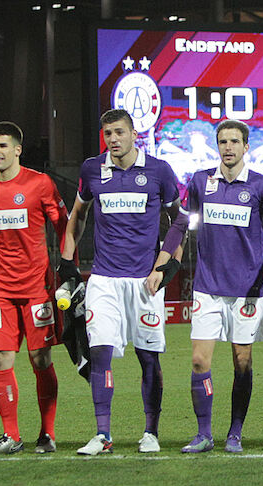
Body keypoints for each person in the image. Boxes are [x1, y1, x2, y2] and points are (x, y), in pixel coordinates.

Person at [158, 120, 263, 453]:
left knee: (241, 362)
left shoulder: (261, 186)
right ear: (217, 146)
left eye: (234, 141)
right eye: (222, 142)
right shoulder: (202, 182)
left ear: (246, 147)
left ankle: (235, 432)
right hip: (207, 287)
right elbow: (180, 224)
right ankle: (204, 434)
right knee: (200, 361)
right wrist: (162, 263)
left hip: (247, 290)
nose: (228, 147)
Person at [62, 109, 181, 455]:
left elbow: (180, 219)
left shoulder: (158, 171)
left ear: (133, 134)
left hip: (144, 282)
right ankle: (102, 434)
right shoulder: (92, 169)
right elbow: (77, 215)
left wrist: (165, 264)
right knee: (100, 355)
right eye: (107, 134)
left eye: (118, 132)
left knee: (148, 358)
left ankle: (151, 432)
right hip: (104, 280)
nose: (113, 140)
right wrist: (67, 262)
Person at [0, 121, 67, 455]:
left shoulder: (39, 183)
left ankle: (47, 434)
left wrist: (69, 270)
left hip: (37, 285)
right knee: (0, 359)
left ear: (18, 149)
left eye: (3, 146)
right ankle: (11, 436)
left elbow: (63, 226)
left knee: (40, 358)